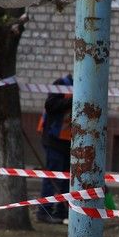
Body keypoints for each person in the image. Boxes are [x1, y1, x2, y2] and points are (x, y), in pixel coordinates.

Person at [36, 73, 73, 223]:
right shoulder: (62, 83)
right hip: (54, 139)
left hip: (71, 141)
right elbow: (50, 106)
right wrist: (74, 100)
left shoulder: (87, 86)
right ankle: (44, 212)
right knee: (53, 177)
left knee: (67, 179)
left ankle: (62, 212)